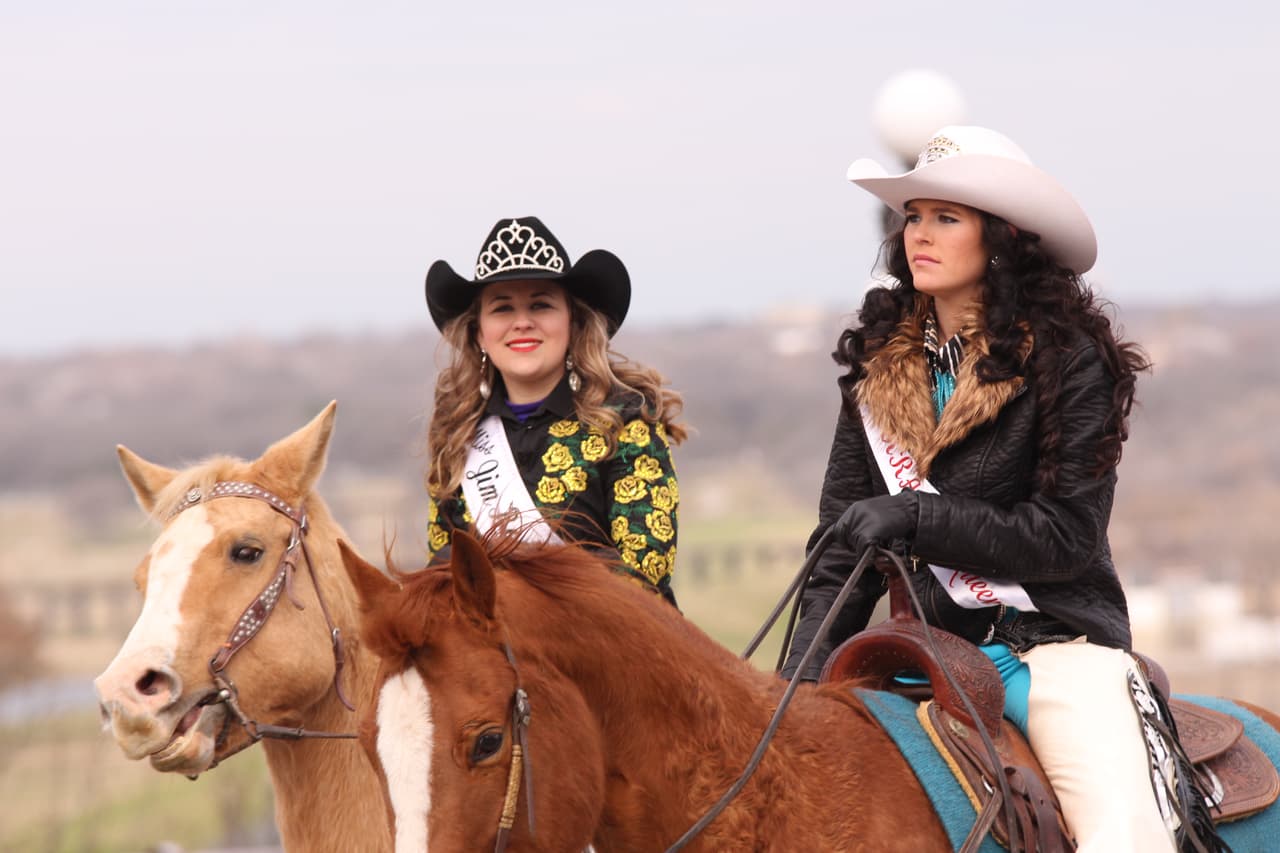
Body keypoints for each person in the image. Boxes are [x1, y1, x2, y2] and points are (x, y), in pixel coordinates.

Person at [782, 127, 1218, 852]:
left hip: (1054, 648)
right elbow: (838, 555)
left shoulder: (1071, 361)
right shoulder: (877, 371)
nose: (919, 234)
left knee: (1125, 836)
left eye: (946, 218)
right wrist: (792, 691)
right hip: (920, 652)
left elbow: (1066, 536)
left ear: (1002, 239)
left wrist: (918, 516)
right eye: (913, 216)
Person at [422, 216, 686, 606]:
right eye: (502, 308)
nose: (522, 322)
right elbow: (443, 578)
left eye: (541, 305)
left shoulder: (625, 421)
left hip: (613, 638)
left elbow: (645, 572)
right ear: (479, 333)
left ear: (573, 323)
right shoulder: (457, 436)